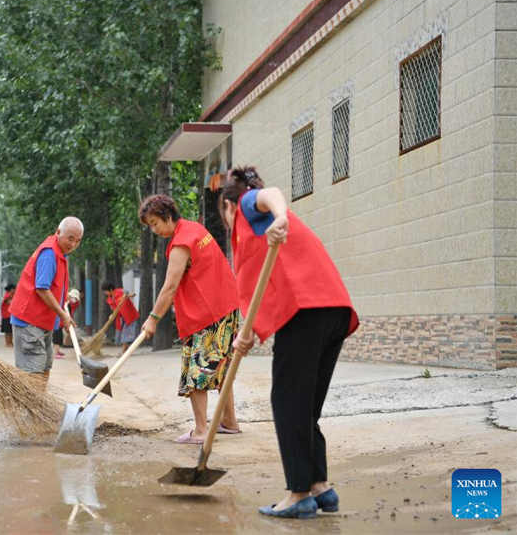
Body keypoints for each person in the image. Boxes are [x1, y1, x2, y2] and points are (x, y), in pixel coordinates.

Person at [219, 166, 359, 519]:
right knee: (306, 405)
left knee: (287, 403)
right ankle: (319, 487)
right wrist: (245, 335)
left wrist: (280, 216)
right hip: (332, 309)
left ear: (227, 205)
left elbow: (271, 194)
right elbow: (259, 288)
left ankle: (298, 494)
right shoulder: (252, 239)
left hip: (307, 311)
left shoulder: (249, 206)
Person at [137, 195, 240, 444]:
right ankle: (229, 422)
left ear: (168, 216)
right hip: (227, 308)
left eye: (155, 223)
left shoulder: (181, 242)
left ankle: (201, 431)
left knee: (197, 374)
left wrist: (152, 319)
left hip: (207, 316)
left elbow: (170, 287)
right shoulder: (196, 229)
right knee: (222, 368)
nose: (154, 229)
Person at [9, 217, 84, 388]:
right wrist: (63, 314)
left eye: (77, 241)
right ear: (58, 232)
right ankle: (31, 412)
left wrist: (63, 301)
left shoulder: (60, 253)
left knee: (44, 366)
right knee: (32, 371)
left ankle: (39, 409)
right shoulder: (50, 253)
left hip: (43, 322)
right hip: (29, 322)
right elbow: (42, 288)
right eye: (70, 238)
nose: (73, 244)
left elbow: (52, 285)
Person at [102, 283, 140, 353]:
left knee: (126, 334)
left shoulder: (120, 292)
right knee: (124, 334)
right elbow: (114, 310)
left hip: (130, 316)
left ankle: (124, 351)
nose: (105, 293)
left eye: (105, 291)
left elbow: (132, 294)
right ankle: (127, 350)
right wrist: (112, 315)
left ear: (110, 289)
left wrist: (126, 296)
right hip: (121, 318)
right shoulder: (109, 299)